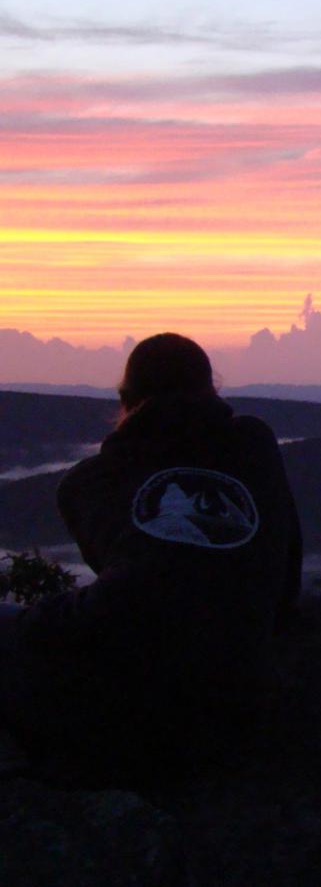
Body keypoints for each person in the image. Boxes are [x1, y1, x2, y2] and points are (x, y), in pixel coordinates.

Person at [0, 333, 302, 783]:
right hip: (239, 714)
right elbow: (284, 584)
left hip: (121, 720)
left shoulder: (89, 483)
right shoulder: (255, 445)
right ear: (213, 389)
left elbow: (135, 592)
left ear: (125, 400)